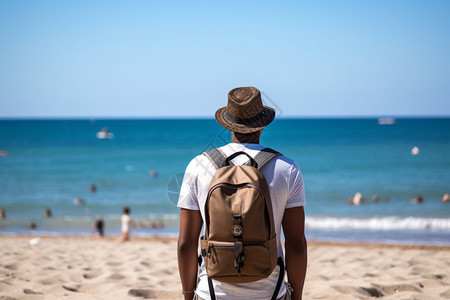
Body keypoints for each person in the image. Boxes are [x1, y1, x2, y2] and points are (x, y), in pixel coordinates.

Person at [177, 87, 307, 300]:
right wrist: (296, 296)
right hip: (270, 293)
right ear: (262, 126)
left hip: (211, 293)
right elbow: (296, 245)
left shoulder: (197, 166)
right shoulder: (287, 168)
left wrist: (188, 294)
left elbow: (186, 244)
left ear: (228, 125)